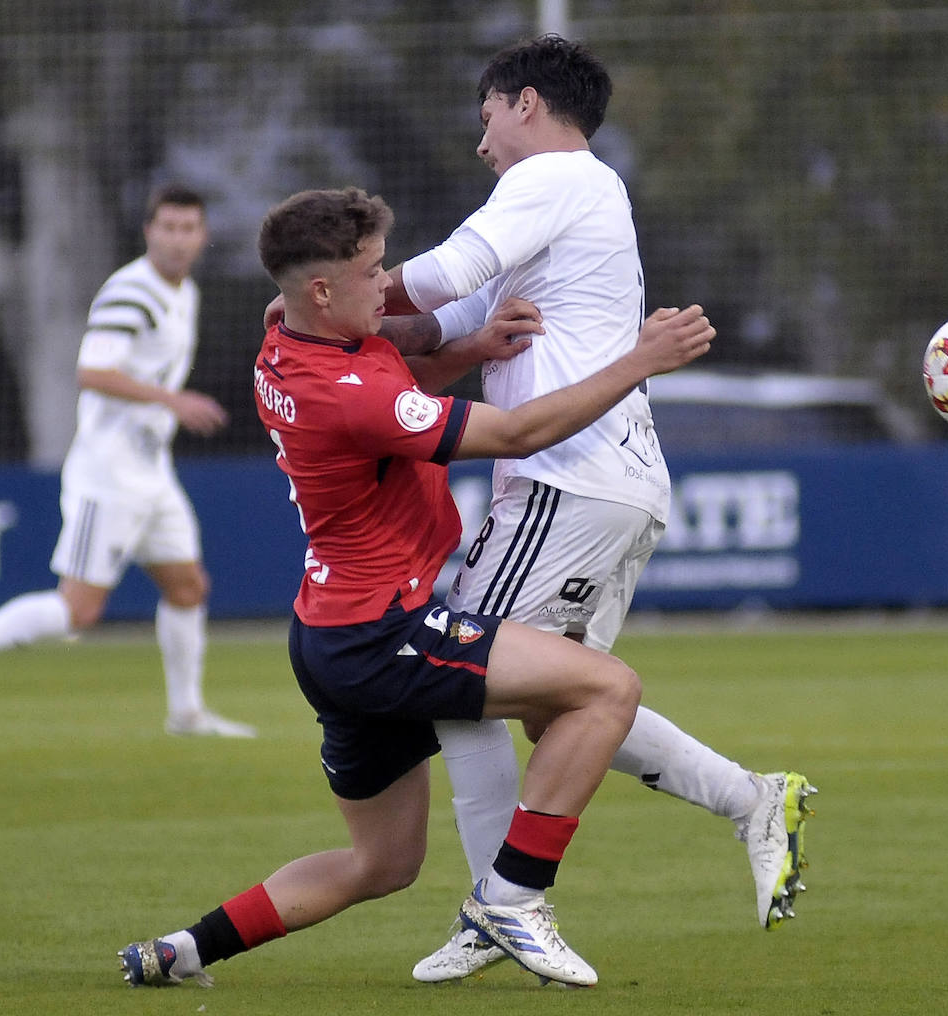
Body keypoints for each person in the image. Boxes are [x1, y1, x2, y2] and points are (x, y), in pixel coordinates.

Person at [117, 186, 715, 989]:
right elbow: (518, 431)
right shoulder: (349, 395)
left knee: (383, 862)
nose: (388, 285)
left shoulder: (284, 346)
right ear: (322, 291)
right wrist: (641, 361)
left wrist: (470, 347)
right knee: (606, 690)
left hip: (325, 635)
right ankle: (513, 899)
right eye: (371, 273)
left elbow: (396, 355)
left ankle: (179, 952)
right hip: (382, 634)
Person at [374, 35, 818, 979]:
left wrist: (321, 292)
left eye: (486, 114)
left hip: (566, 482)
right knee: (559, 706)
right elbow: (429, 331)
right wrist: (380, 320)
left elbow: (436, 277)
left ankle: (502, 905)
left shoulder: (559, 178)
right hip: (604, 486)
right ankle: (752, 798)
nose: (481, 140)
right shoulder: (559, 209)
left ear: (526, 102)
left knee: (455, 684)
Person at [0, 184, 256, 739]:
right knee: (78, 610)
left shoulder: (183, 291)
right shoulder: (131, 292)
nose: (177, 238)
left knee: (188, 586)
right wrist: (174, 401)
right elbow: (91, 371)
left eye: (187, 228)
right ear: (149, 232)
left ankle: (186, 713)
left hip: (151, 470)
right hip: (108, 473)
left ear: (202, 236)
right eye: (166, 227)